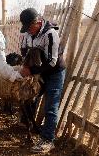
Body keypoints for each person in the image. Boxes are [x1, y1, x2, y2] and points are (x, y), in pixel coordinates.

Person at [19, 8, 66, 153]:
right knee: (30, 98)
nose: (28, 31)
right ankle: (29, 126)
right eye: (26, 28)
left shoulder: (50, 34)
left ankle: (48, 140)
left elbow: (52, 62)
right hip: (39, 72)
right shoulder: (28, 34)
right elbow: (25, 51)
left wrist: (31, 71)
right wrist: (25, 62)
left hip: (54, 73)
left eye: (29, 27)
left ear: (38, 22)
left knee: (50, 106)